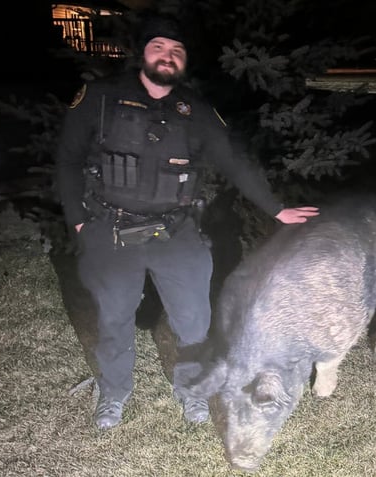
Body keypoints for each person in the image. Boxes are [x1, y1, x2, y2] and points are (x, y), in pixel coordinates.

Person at [54, 16, 319, 431]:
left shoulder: (195, 110)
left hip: (176, 232)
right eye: (159, 46)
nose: (168, 56)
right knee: (114, 320)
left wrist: (276, 209)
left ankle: (192, 392)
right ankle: (114, 392)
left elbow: (234, 162)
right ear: (143, 52)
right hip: (110, 230)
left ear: (184, 61)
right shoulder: (100, 98)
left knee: (194, 323)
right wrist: (79, 223)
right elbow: (67, 160)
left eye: (177, 50)